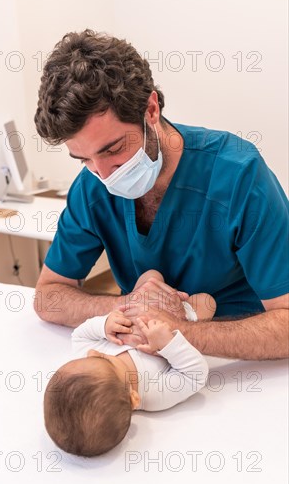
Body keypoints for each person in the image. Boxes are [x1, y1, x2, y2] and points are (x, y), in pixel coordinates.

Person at [34, 29, 289, 360]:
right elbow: (48, 296)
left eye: (113, 149)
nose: (104, 175)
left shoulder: (238, 176)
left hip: (237, 359)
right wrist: (128, 306)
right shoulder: (91, 188)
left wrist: (175, 332)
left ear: (150, 110)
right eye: (85, 159)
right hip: (144, 354)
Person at [44, 270, 212, 457]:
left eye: (89, 357)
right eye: (103, 359)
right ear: (133, 398)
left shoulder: (87, 358)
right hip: (179, 320)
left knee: (152, 275)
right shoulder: (153, 394)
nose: (93, 352)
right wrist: (168, 343)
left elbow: (80, 336)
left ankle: (160, 287)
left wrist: (105, 324)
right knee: (207, 302)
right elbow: (194, 375)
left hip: (138, 306)